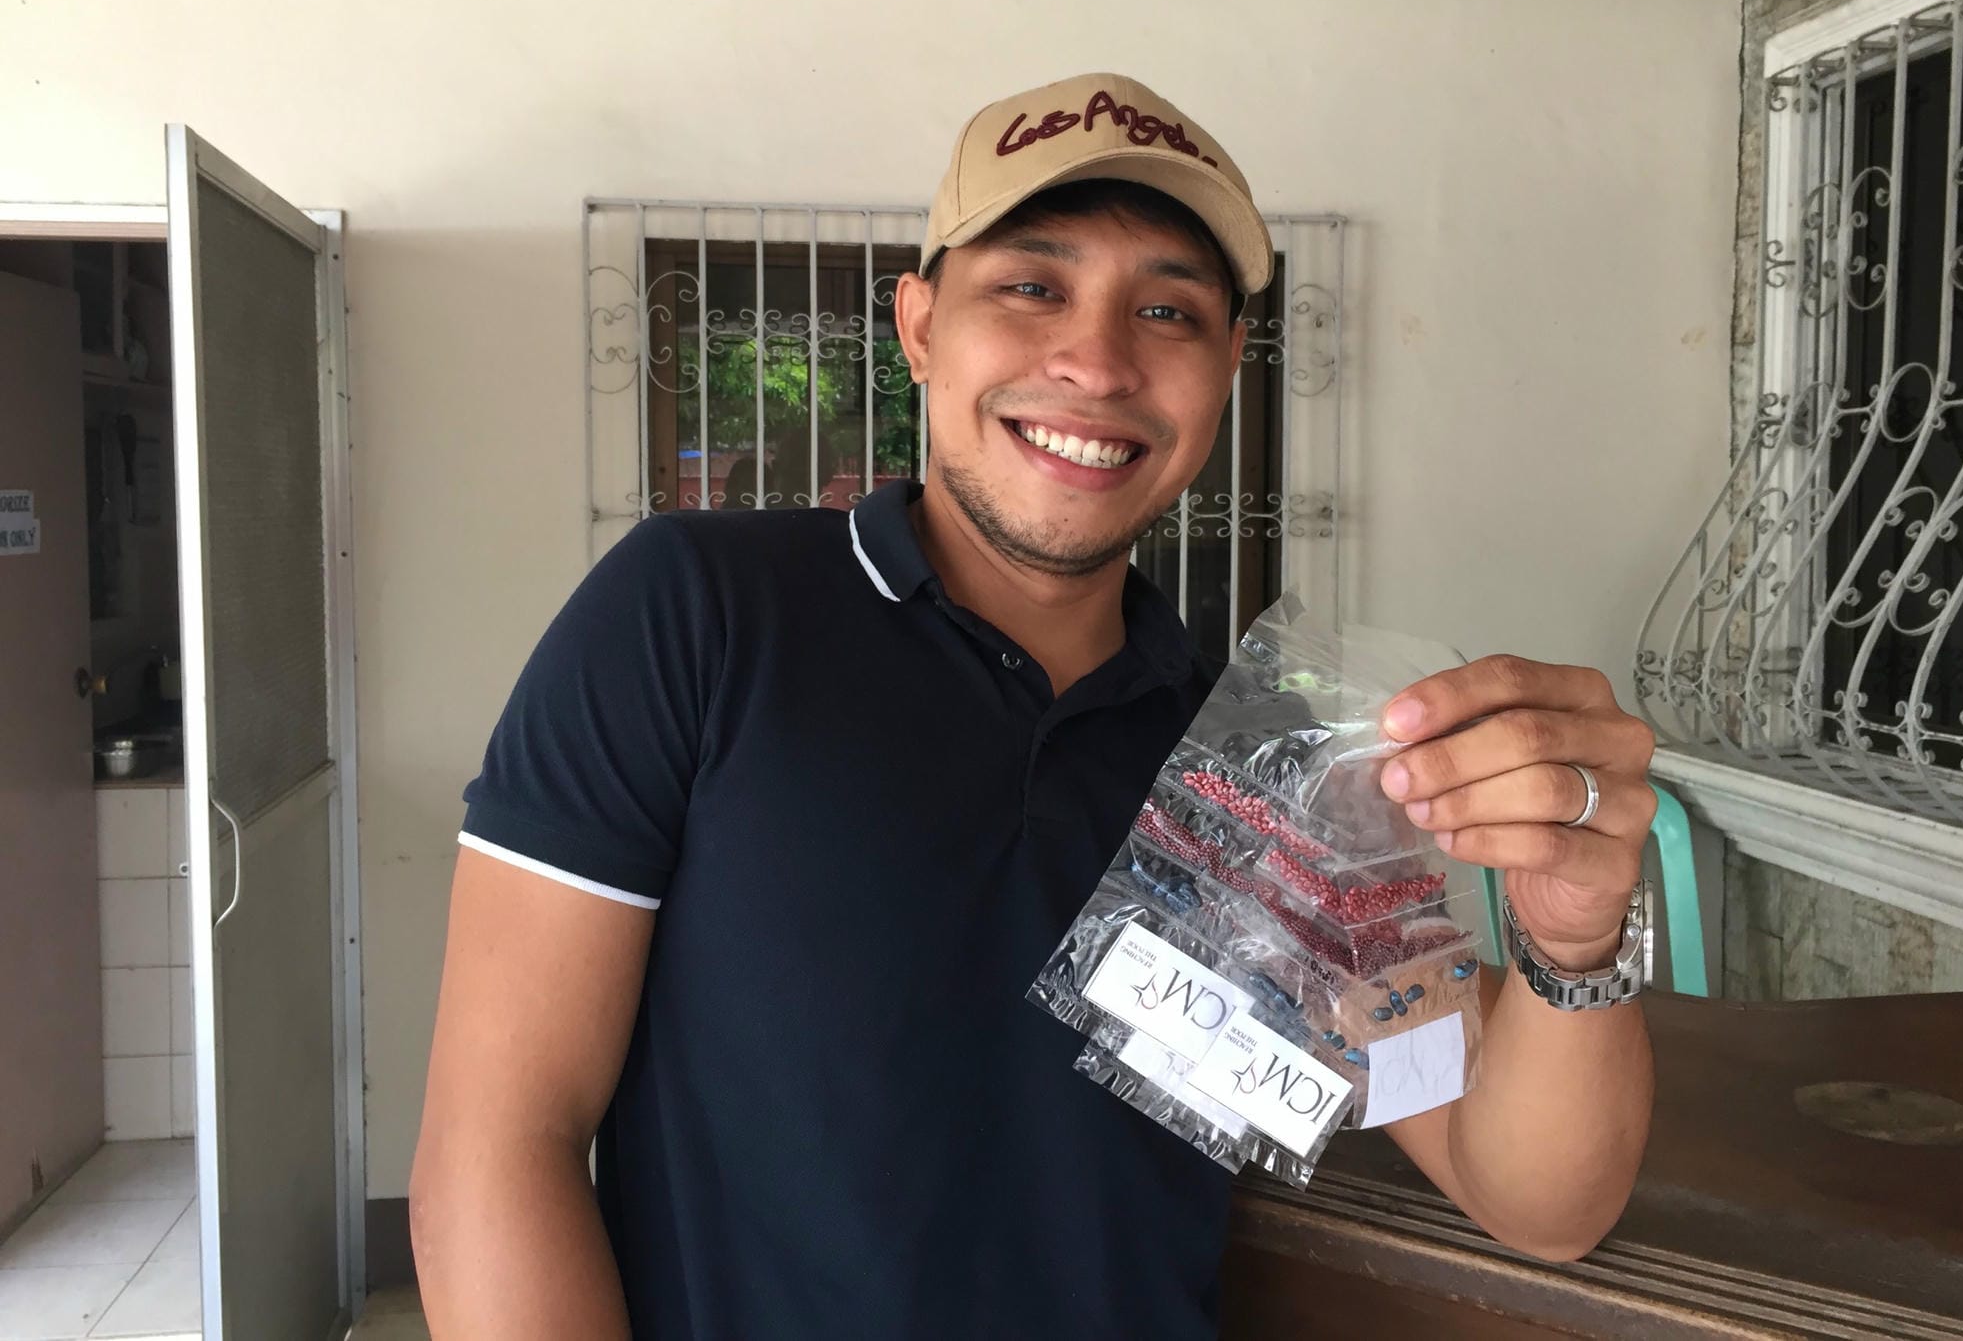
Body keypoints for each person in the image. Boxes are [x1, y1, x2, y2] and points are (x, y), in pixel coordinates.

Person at [410, 72, 1657, 1340]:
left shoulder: (1263, 772)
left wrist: (1572, 941)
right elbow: (500, 1141)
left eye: (1166, 310)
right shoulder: (699, 614)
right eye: (1030, 287)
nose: (1097, 361)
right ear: (916, 327)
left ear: (1226, 367)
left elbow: (1534, 1201)